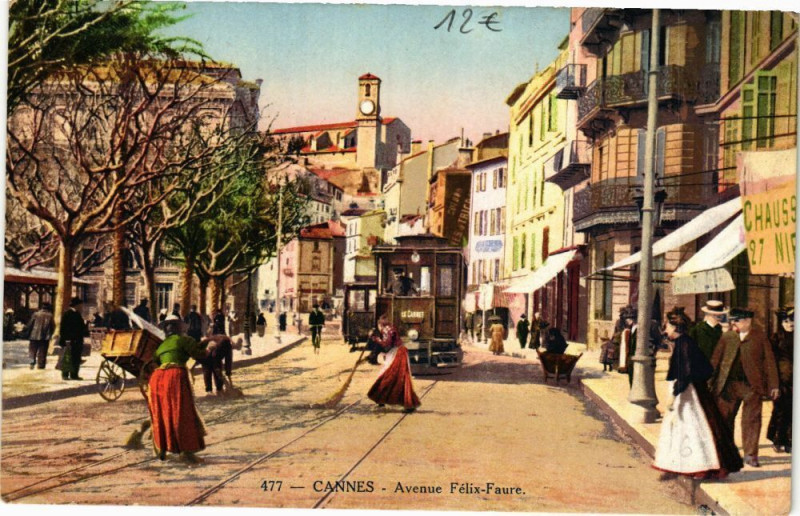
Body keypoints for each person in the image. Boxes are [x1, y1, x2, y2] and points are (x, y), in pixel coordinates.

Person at [653, 309, 742, 480]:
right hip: (692, 389)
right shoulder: (684, 342)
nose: (666, 330)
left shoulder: (684, 344)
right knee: (683, 428)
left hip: (689, 393)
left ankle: (702, 466)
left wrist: (674, 395)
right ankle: (683, 465)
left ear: (675, 327)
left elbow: (685, 373)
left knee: (694, 428)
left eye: (668, 327)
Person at [709, 307, 779, 468]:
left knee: (751, 421)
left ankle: (750, 455)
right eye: (732, 320)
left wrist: (774, 385)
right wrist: (708, 381)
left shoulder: (760, 337)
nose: (733, 323)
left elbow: (769, 362)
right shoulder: (727, 337)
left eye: (737, 321)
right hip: (728, 386)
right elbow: (715, 361)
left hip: (752, 386)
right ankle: (726, 453)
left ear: (748, 321)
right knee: (725, 419)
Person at [148, 314, 209, 463]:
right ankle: (187, 451)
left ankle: (162, 447)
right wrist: (208, 347)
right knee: (182, 412)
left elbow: (156, 360)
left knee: (163, 413)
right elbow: (198, 354)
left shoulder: (161, 345)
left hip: (157, 379)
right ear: (179, 327)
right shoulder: (183, 340)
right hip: (175, 377)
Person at [367, 314, 420, 412]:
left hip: (397, 353)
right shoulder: (390, 328)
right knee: (397, 376)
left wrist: (374, 338)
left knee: (390, 375)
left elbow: (386, 343)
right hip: (399, 352)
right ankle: (383, 399)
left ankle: (383, 398)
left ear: (380, 324)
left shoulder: (386, 329)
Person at [767, 307, 793, 453]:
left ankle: (789, 440)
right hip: (781, 381)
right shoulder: (776, 338)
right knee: (780, 410)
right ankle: (777, 439)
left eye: (792, 321)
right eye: (786, 321)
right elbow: (771, 362)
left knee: (792, 410)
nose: (790, 324)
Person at [59, 297, 89, 380]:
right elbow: (63, 328)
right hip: (70, 340)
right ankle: (65, 374)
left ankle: (74, 374)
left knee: (76, 357)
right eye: (81, 305)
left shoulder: (77, 314)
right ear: (77, 305)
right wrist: (64, 339)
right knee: (68, 357)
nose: (82, 307)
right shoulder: (68, 314)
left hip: (77, 340)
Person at [26, 302, 54, 369]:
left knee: (32, 350)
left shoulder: (36, 314)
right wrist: (50, 334)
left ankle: (32, 362)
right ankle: (41, 365)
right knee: (42, 351)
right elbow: (52, 326)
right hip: (45, 336)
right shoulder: (50, 315)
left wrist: (28, 332)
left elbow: (30, 324)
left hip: (34, 335)